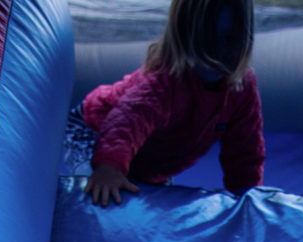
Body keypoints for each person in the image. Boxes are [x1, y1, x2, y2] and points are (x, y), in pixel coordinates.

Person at [81, 0, 264, 208]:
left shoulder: (241, 88)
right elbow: (126, 122)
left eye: (230, 38)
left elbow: (244, 151)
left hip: (150, 162)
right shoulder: (164, 83)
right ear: (184, 37)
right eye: (208, 39)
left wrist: (245, 198)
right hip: (95, 130)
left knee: (148, 212)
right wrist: (109, 167)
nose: (219, 52)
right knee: (100, 193)